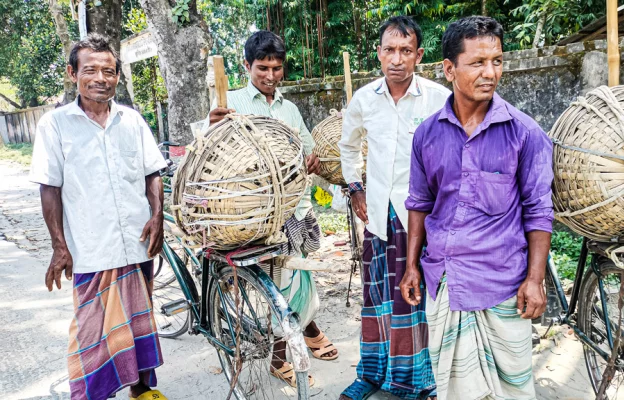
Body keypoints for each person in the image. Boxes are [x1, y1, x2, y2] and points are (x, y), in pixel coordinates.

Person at [400, 16, 554, 400]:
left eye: (497, 61)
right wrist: (411, 266)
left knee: (513, 389)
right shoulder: (427, 134)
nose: (490, 72)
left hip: (501, 283)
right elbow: (419, 204)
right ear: (449, 69)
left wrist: (534, 280)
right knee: (454, 390)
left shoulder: (525, 133)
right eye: (478, 63)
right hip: (445, 280)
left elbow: (539, 211)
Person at [30, 33, 168, 400]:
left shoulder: (133, 121)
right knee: (91, 334)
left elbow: (152, 172)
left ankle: (142, 390)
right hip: (91, 249)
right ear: (72, 74)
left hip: (136, 243)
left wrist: (158, 216)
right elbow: (49, 188)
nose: (100, 78)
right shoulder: (55, 125)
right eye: (90, 69)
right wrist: (59, 247)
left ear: (118, 77)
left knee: (139, 323)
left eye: (108, 71)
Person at [206, 30, 337, 388]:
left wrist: (314, 160)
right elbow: (207, 153)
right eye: (262, 67)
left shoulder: (290, 108)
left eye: (277, 68)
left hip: (294, 210)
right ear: (246, 65)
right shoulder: (228, 104)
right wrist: (212, 126)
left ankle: (296, 339)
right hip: (253, 218)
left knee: (296, 280)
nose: (270, 76)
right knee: (282, 284)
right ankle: (283, 356)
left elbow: (311, 153)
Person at [339, 16, 451, 400]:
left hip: (422, 218)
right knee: (377, 296)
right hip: (378, 218)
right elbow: (348, 146)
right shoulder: (364, 99)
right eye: (390, 50)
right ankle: (371, 373)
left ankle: (418, 381)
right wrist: (355, 187)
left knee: (417, 297)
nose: (397, 59)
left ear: (419, 55)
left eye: (406, 51)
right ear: (379, 53)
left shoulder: (438, 98)